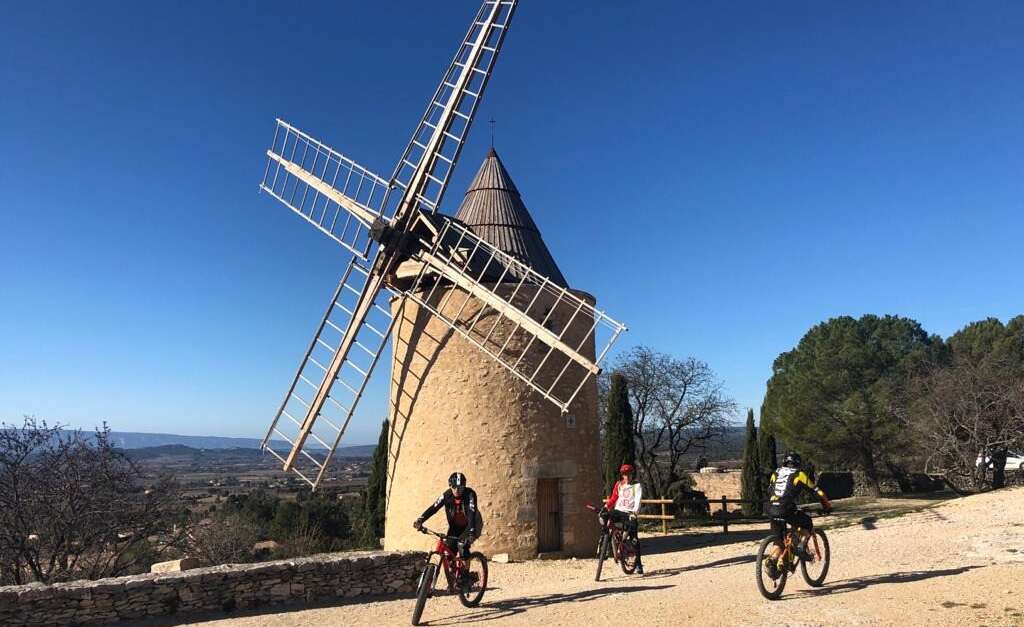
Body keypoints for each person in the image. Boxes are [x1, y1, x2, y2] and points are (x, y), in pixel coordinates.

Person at [413, 472, 480, 584]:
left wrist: (472, 532)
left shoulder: (470, 494)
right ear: (450, 486)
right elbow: (434, 507)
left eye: (460, 487)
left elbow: (471, 512)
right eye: (454, 487)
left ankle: (465, 576)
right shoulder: (447, 495)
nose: (457, 490)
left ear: (464, 486)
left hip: (472, 524)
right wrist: (421, 519)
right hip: (455, 527)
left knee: (463, 546)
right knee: (449, 552)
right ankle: (453, 578)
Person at [767, 452, 832, 563]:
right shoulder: (799, 474)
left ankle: (771, 562)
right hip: (786, 508)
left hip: (771, 509)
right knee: (807, 522)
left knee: (778, 540)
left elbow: (770, 490)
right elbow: (817, 491)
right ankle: (801, 548)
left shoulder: (775, 473)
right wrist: (826, 506)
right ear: (798, 463)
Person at [602, 463, 645, 575]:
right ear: (622, 475)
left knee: (634, 538)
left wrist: (635, 512)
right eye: (625, 474)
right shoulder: (618, 485)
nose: (627, 476)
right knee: (605, 516)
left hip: (630, 513)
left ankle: (638, 564)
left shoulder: (637, 486)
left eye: (629, 474)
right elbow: (613, 498)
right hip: (618, 511)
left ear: (632, 474)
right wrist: (606, 507)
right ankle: (605, 544)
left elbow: (638, 500)